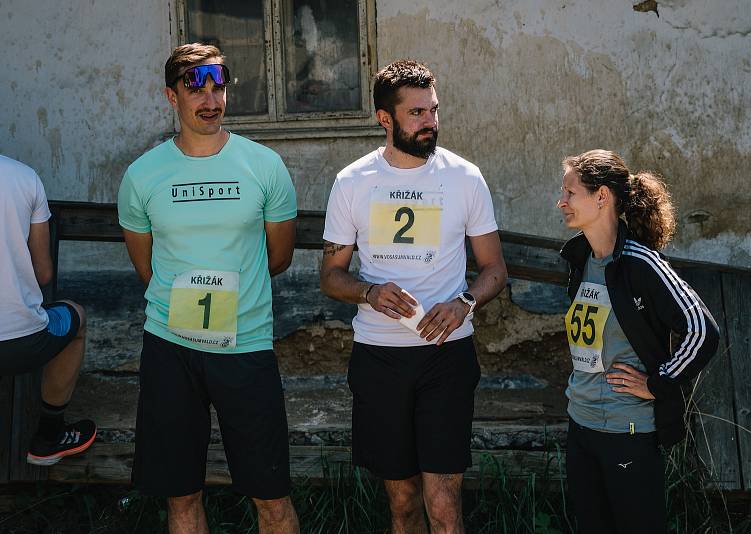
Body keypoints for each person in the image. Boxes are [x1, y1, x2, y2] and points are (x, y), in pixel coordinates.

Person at [117, 43, 299, 534]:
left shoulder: (264, 166)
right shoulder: (142, 175)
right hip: (170, 348)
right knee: (182, 497)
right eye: (195, 87)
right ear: (170, 96)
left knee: (272, 497)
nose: (210, 99)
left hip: (246, 345)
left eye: (218, 86)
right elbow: (146, 266)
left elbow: (278, 257)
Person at [320, 59, 507, 534]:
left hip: (447, 357)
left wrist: (464, 302)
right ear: (386, 119)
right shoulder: (353, 182)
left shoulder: (464, 177)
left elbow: (494, 269)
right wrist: (368, 291)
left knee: (444, 503)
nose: (430, 123)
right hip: (379, 358)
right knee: (402, 502)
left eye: (434, 111)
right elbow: (331, 276)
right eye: (417, 113)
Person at [556, 149, 720, 533]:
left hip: (627, 431)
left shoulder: (640, 263)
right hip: (581, 426)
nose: (561, 201)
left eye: (570, 192)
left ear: (601, 197)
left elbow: (703, 330)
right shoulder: (581, 260)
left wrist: (658, 383)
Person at [0, 155, 95, 466]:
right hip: (21, 343)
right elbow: (43, 274)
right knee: (74, 316)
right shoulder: (25, 177)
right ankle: (48, 437)